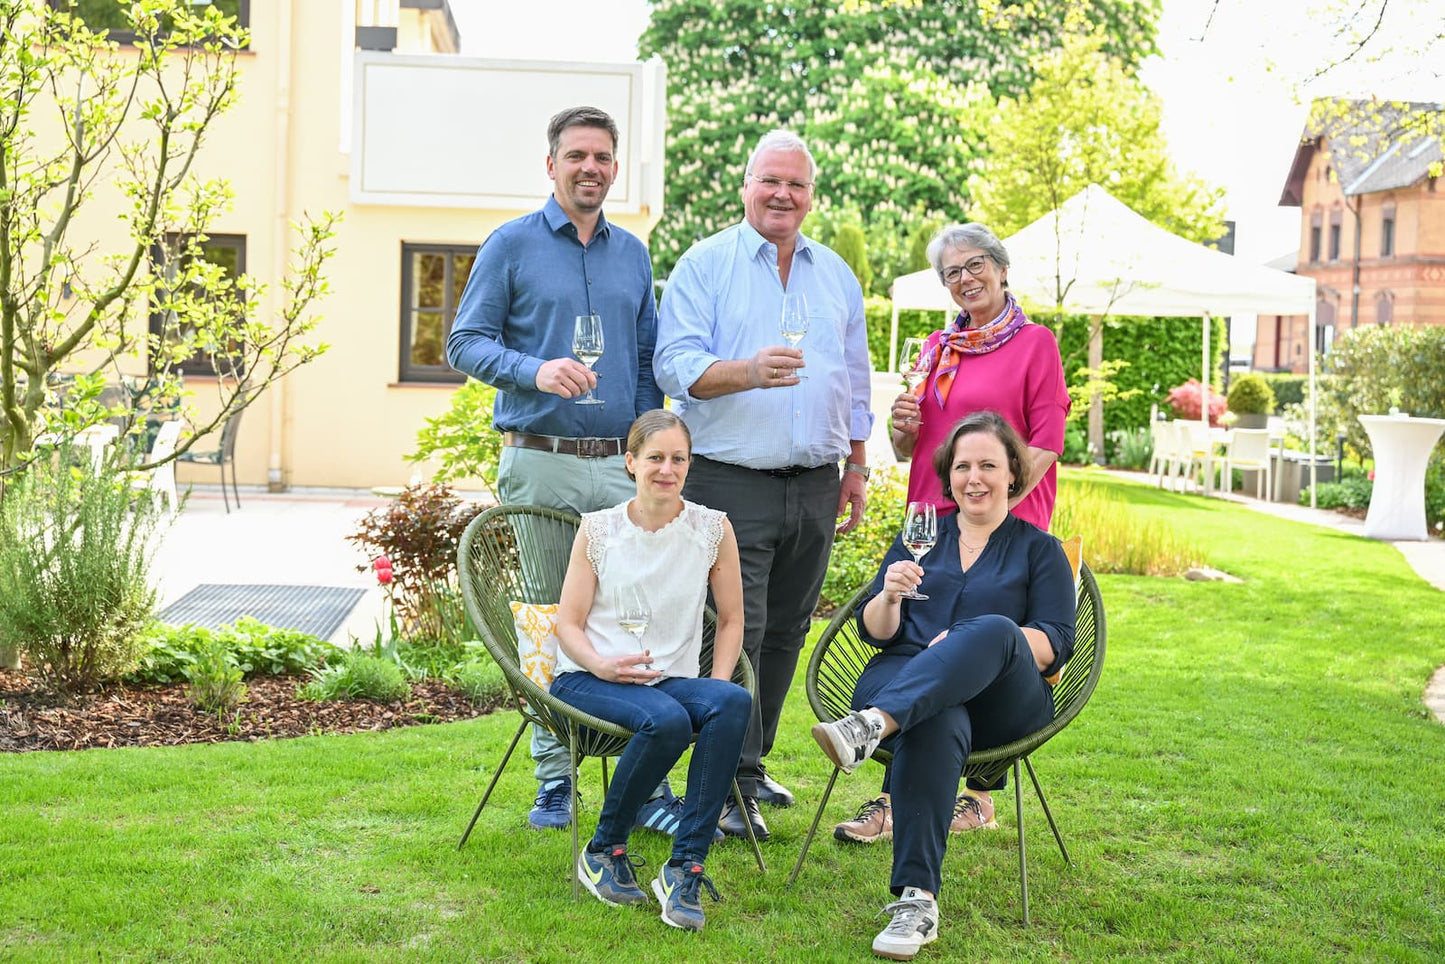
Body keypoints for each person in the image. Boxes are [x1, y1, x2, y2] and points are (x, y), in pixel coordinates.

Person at [446, 105, 680, 836]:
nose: (590, 168)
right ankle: (555, 781)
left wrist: (651, 455)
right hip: (541, 464)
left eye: (603, 157)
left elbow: (644, 366)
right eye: (576, 155)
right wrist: (534, 371)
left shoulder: (633, 255)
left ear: (615, 168)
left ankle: (644, 782)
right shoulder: (510, 246)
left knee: (642, 615)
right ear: (551, 165)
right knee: (551, 622)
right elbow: (464, 343)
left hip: (619, 471)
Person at [654, 128, 874, 841]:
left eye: (797, 185)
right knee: (730, 632)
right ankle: (714, 782)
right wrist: (748, 370)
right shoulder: (705, 264)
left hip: (813, 481)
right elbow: (673, 365)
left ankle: (748, 768)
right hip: (728, 481)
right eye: (769, 181)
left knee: (782, 634)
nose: (782, 194)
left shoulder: (835, 274)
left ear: (811, 196)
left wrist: (857, 465)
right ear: (744, 185)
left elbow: (854, 377)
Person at [834, 222, 1070, 846]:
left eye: (975, 266)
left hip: (1003, 517)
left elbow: (1046, 442)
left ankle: (976, 796)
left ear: (1000, 267)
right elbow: (915, 444)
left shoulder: (1035, 344)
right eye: (952, 272)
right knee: (921, 636)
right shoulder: (938, 347)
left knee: (983, 639)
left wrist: (991, 506)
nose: (965, 279)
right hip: (931, 521)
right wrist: (901, 427)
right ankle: (896, 796)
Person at [810, 412, 1075, 961]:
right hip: (904, 673)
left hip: (1002, 698)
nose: (973, 478)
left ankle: (871, 727)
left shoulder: (1038, 550)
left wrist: (965, 643)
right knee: (938, 716)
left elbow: (1053, 643)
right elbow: (875, 633)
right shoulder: (920, 533)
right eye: (962, 467)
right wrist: (888, 595)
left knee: (994, 630)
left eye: (987, 466)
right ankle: (917, 900)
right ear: (947, 474)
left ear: (1012, 476)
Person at [552, 410, 750, 932]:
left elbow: (731, 621)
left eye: (678, 459)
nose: (667, 469)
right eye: (655, 457)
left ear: (690, 465)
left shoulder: (712, 528)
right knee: (666, 721)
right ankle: (603, 851)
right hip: (589, 675)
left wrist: (718, 680)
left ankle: (685, 867)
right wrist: (601, 664)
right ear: (631, 462)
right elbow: (568, 624)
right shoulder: (599, 530)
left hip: (669, 678)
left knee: (732, 702)